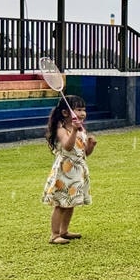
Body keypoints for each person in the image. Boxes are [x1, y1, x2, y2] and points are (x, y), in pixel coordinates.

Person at [42, 95, 96, 245]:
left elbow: (84, 153)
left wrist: (91, 145)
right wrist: (73, 130)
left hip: (77, 172)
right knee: (60, 203)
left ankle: (64, 231)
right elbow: (67, 146)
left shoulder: (80, 130)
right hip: (64, 172)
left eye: (84, 110)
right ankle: (54, 234)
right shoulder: (61, 129)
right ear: (66, 113)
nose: (83, 113)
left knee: (71, 202)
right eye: (78, 109)